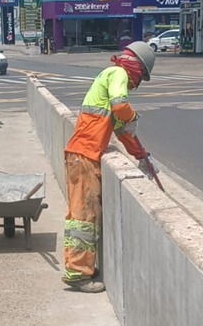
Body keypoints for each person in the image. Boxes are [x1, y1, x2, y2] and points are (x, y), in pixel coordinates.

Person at [63, 41, 158, 293]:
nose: (134, 85)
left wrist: (142, 155)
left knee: (83, 215)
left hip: (83, 156)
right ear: (136, 69)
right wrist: (133, 117)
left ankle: (79, 268)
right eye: (138, 79)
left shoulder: (109, 76)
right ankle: (78, 274)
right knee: (84, 217)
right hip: (83, 156)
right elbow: (121, 108)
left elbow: (123, 131)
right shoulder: (117, 73)